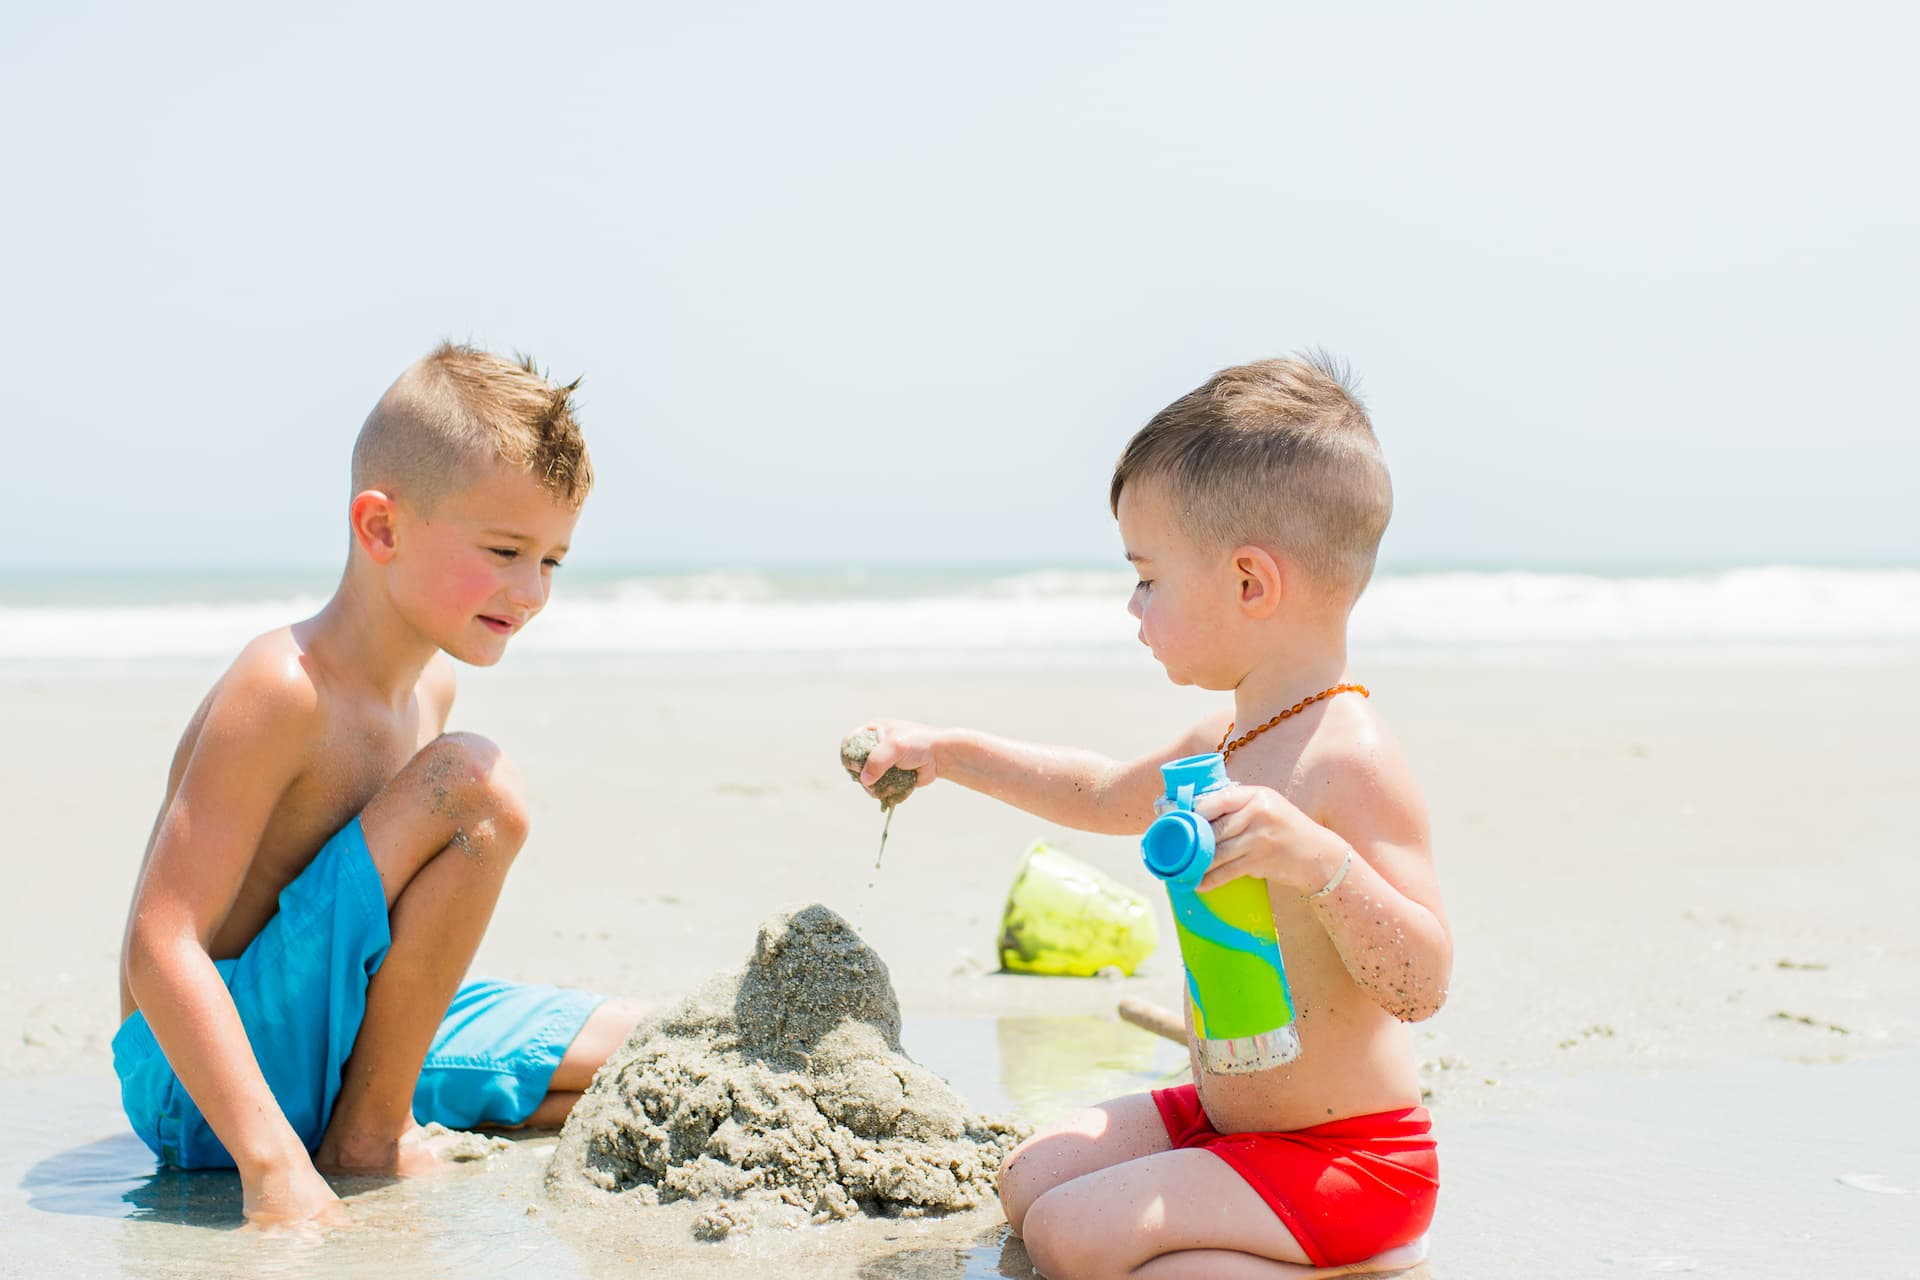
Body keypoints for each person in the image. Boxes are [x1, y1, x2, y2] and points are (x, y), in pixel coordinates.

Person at [852, 355, 1448, 1277]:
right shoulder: (1229, 733)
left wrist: (1321, 864)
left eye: (1148, 577)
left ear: (1250, 583)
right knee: (1030, 1182)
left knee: (1071, 1235)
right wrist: (947, 751)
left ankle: (1359, 1265)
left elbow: (1422, 982)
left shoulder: (1349, 760)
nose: (1133, 605)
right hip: (1228, 1117)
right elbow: (1097, 795)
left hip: (1351, 1160)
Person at [113, 343, 644, 1228]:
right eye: (506, 549)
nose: (532, 590)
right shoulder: (284, 689)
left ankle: (375, 1116)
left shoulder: (431, 686)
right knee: (478, 784)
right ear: (382, 529)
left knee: (646, 1045)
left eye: (552, 560)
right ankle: (367, 1138)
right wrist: (272, 1168)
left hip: (340, 1028)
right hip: (202, 1083)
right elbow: (160, 946)